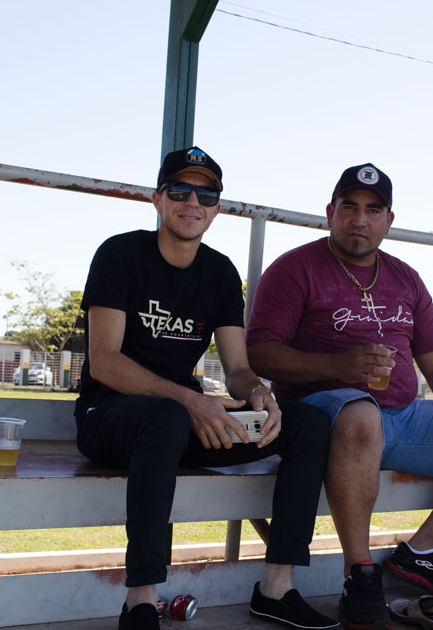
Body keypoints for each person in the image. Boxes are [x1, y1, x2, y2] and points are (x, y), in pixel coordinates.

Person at [246, 163, 433, 630]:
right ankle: (360, 573)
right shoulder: (295, 268)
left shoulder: (406, 276)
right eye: (349, 207)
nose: (360, 220)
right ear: (330, 212)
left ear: (388, 220)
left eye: (373, 210)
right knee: (360, 415)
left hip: (401, 416)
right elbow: (262, 354)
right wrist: (337, 367)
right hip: (324, 417)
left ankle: (422, 551)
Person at [75, 147, 337, 630]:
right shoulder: (121, 254)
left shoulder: (219, 272)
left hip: (182, 423)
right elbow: (106, 362)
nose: (193, 202)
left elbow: (237, 368)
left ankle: (276, 587)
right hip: (110, 418)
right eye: (180, 190)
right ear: (158, 199)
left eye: (206, 194)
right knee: (168, 416)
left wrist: (258, 393)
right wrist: (190, 400)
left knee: (310, 423)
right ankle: (141, 600)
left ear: (218, 207)